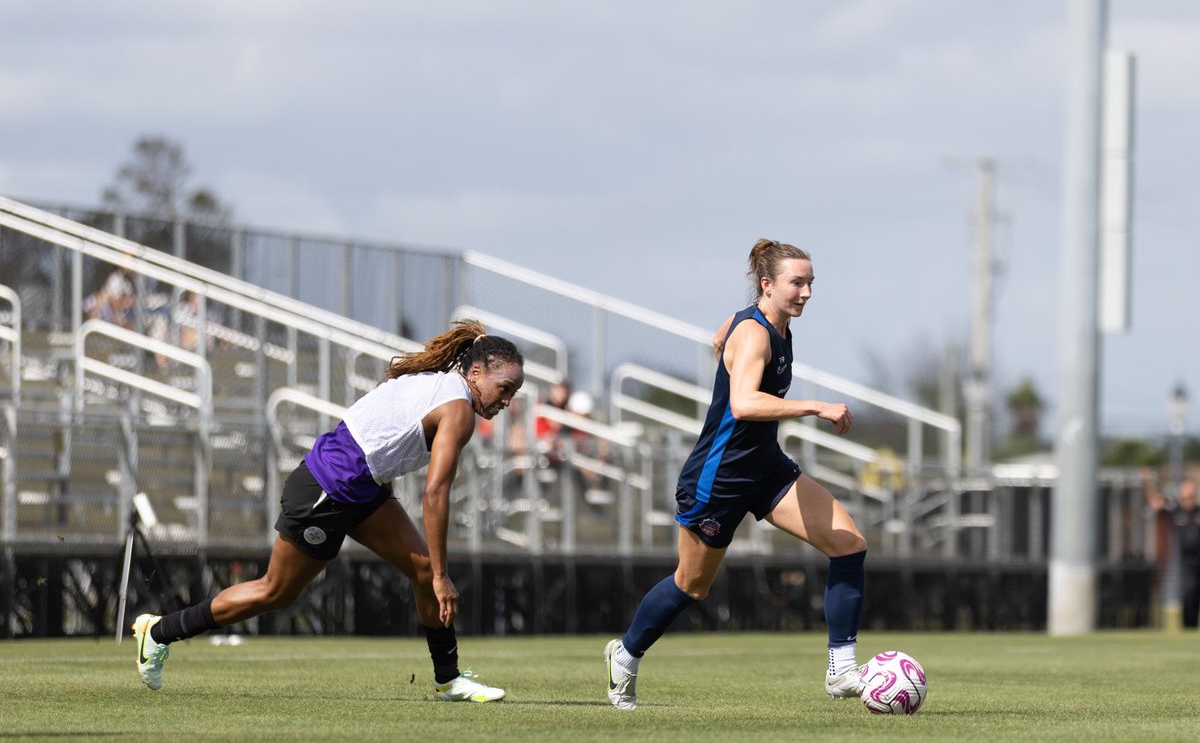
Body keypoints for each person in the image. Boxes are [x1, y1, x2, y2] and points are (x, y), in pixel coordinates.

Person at [131, 320, 524, 701]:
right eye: (504, 389)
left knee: (421, 571)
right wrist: (443, 576)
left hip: (361, 486)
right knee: (275, 591)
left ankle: (448, 679)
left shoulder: (440, 385)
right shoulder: (458, 409)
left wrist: (434, 573)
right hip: (326, 489)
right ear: (475, 372)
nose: (506, 401)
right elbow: (435, 494)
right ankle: (160, 632)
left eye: (513, 394)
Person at [603, 239, 865, 710]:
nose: (807, 292)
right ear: (767, 285)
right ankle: (624, 654)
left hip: (766, 469)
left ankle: (841, 670)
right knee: (692, 585)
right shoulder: (757, 333)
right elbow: (743, 403)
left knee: (848, 544)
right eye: (797, 283)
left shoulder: (770, 324)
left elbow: (721, 333)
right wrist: (817, 406)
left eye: (810, 283)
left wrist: (728, 334)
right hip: (717, 478)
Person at [1142, 470, 1200, 628]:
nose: (1188, 497)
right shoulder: (1175, 511)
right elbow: (1155, 503)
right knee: (1189, 593)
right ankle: (1189, 626)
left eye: (1190, 494)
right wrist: (1148, 483)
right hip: (1185, 562)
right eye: (1185, 494)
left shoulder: (1197, 511)